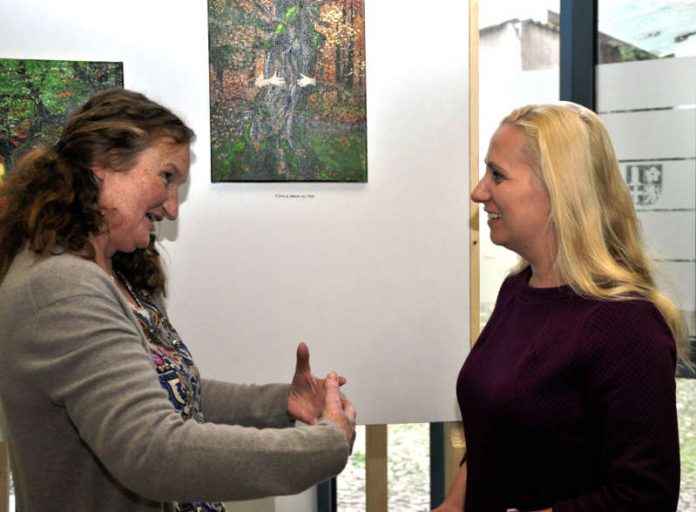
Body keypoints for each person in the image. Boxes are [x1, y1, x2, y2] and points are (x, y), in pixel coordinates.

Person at [0, 88, 356, 511]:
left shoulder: (121, 276)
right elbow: (152, 451)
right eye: (166, 177)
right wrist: (319, 449)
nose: (172, 209)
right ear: (105, 165)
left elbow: (181, 395)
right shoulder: (59, 288)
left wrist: (281, 404)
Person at [434, 102, 686, 512]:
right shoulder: (518, 289)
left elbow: (644, 497)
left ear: (559, 190)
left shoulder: (626, 325)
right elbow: (495, 436)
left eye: (497, 175)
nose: (478, 191)